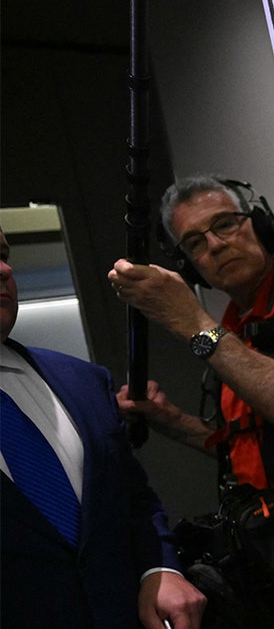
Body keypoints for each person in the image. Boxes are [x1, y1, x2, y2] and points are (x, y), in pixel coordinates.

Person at [0, 227, 207, 629]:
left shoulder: (83, 382)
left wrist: (159, 569)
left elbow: (133, 499)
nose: (5, 269)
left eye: (5, 254)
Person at [107, 174, 274, 514]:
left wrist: (193, 321)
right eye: (195, 243)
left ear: (261, 225)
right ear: (190, 266)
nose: (216, 245)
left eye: (225, 224)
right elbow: (246, 443)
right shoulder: (231, 328)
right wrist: (171, 421)